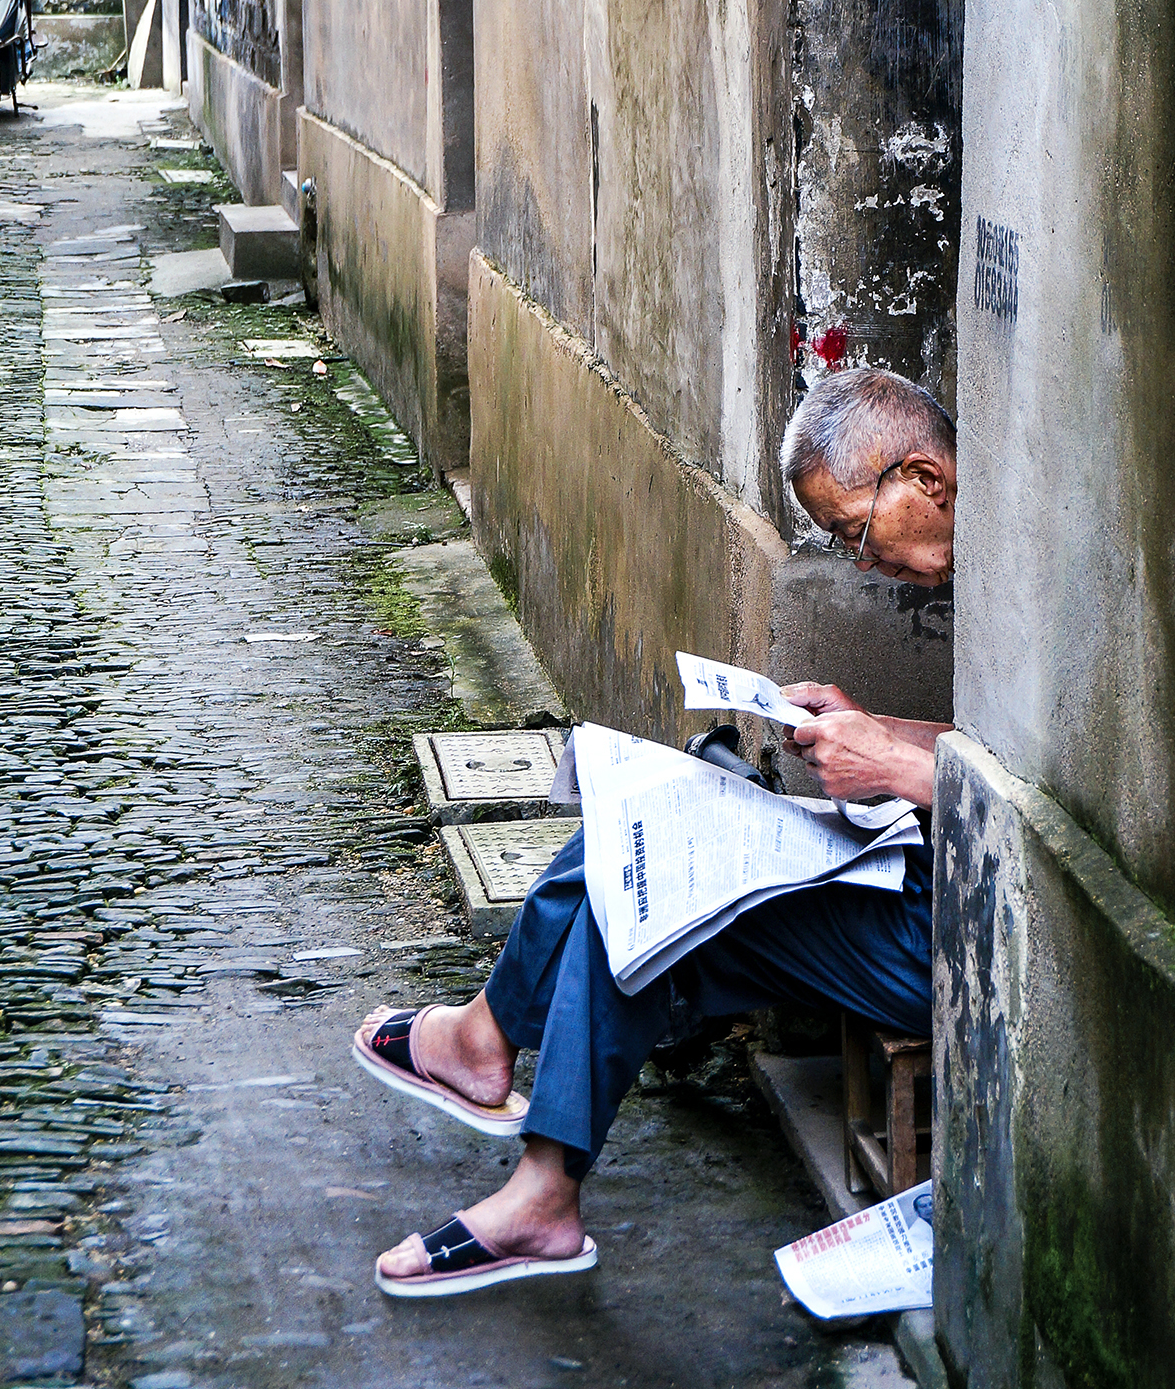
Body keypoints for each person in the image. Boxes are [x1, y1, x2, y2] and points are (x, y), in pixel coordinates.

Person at [354, 367, 956, 1297]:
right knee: (652, 837)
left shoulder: (1066, 574)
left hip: (956, 942)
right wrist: (878, 729)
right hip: (920, 877)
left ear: (923, 478)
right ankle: (524, 1153)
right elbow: (999, 753)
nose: (863, 564)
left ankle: (505, 1099)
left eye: (855, 533)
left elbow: (1064, 811)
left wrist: (898, 769)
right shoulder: (990, 556)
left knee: (647, 895)